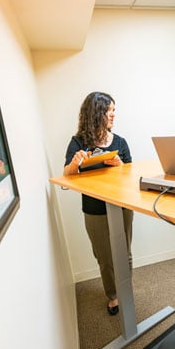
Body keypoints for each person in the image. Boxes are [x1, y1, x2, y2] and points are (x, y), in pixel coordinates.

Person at [63, 91, 133, 315]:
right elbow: (66, 175)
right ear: (96, 112)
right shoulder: (78, 142)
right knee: (104, 256)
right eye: (109, 110)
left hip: (121, 205)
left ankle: (126, 291)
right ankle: (113, 296)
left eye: (114, 110)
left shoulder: (120, 142)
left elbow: (130, 175)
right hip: (94, 209)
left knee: (125, 252)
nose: (113, 114)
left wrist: (119, 164)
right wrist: (75, 163)